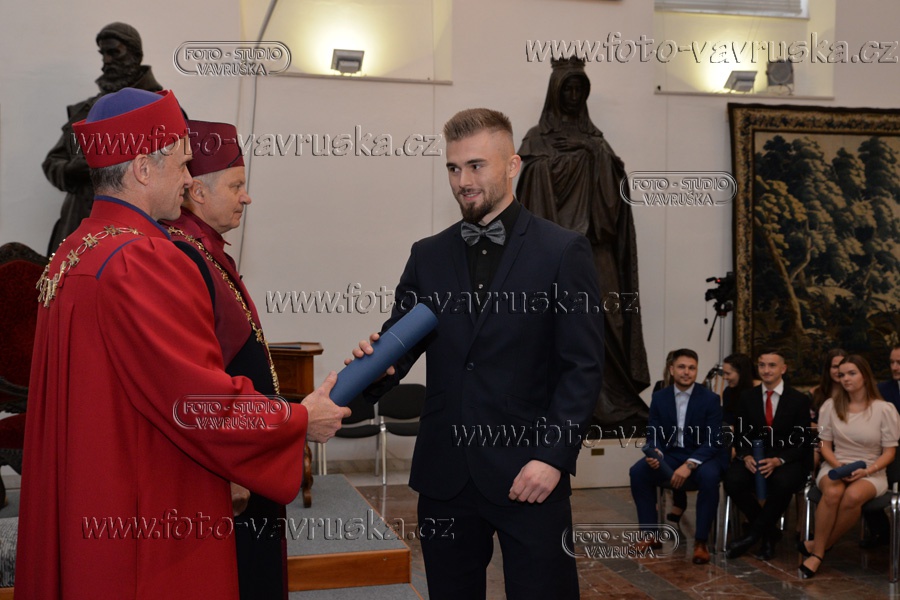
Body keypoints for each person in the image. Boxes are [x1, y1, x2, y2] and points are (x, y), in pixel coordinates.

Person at [17, 88, 349, 600]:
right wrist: (297, 420)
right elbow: (199, 401)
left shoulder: (73, 251)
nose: (190, 179)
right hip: (145, 505)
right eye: (183, 164)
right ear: (143, 169)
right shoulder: (143, 258)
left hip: (87, 490)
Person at [357, 108, 603, 599]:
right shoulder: (427, 254)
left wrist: (552, 458)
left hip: (530, 472)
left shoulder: (562, 251)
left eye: (476, 166)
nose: (463, 181)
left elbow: (583, 366)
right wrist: (367, 373)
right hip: (445, 475)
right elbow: (399, 348)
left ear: (512, 166)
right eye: (453, 168)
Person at [161, 119, 286, 600]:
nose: (246, 197)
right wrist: (232, 470)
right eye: (236, 186)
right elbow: (199, 376)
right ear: (197, 192)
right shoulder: (184, 257)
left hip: (247, 454)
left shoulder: (208, 251)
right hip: (229, 465)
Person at [516, 56, 649, 430]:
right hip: (555, 254)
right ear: (555, 93)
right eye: (568, 89)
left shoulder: (597, 142)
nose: (573, 96)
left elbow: (616, 202)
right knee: (556, 322)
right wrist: (552, 164)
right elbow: (528, 195)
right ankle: (564, 406)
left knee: (609, 318)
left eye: (579, 90)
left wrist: (593, 154)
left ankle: (613, 401)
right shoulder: (537, 139)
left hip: (595, 246)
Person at [43, 22, 165, 255]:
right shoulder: (86, 109)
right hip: (78, 222)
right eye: (103, 54)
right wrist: (71, 170)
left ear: (135, 55)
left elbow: (173, 170)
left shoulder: (159, 106)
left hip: (133, 226)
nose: (106, 61)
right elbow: (53, 161)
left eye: (114, 52)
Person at [799, 355, 900, 578]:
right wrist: (838, 465)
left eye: (852, 373)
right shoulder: (830, 406)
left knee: (853, 495)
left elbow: (890, 453)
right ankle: (819, 551)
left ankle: (818, 549)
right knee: (833, 492)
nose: (845, 379)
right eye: (842, 374)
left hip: (872, 470)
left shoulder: (884, 409)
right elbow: (825, 446)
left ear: (865, 376)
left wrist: (867, 471)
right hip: (836, 464)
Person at [629, 349, 726, 565]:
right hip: (671, 454)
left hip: (702, 456)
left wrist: (690, 464)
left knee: (710, 477)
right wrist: (656, 452)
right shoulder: (659, 397)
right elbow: (653, 430)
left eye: (692, 368)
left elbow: (713, 440)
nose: (686, 372)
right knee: (638, 472)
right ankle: (649, 534)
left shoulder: (710, 399)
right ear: (672, 370)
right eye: (681, 367)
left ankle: (700, 541)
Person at [724, 350, 813, 561]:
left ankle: (754, 535)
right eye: (762, 365)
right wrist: (746, 456)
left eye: (772, 365)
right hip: (754, 457)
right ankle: (769, 532)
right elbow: (741, 434)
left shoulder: (799, 400)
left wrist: (778, 460)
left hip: (786, 459)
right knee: (732, 481)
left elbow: (801, 441)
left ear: (783, 369)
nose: (766, 370)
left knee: (782, 483)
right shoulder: (747, 397)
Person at [862, 344, 900, 548]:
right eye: (892, 362)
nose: (894, 367)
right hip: (884, 452)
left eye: (899, 363)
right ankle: (882, 532)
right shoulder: (881, 390)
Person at [721, 353, 757, 427]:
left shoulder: (759, 391)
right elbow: (727, 420)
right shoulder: (728, 392)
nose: (724, 377)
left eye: (728, 373)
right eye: (723, 373)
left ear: (741, 373)